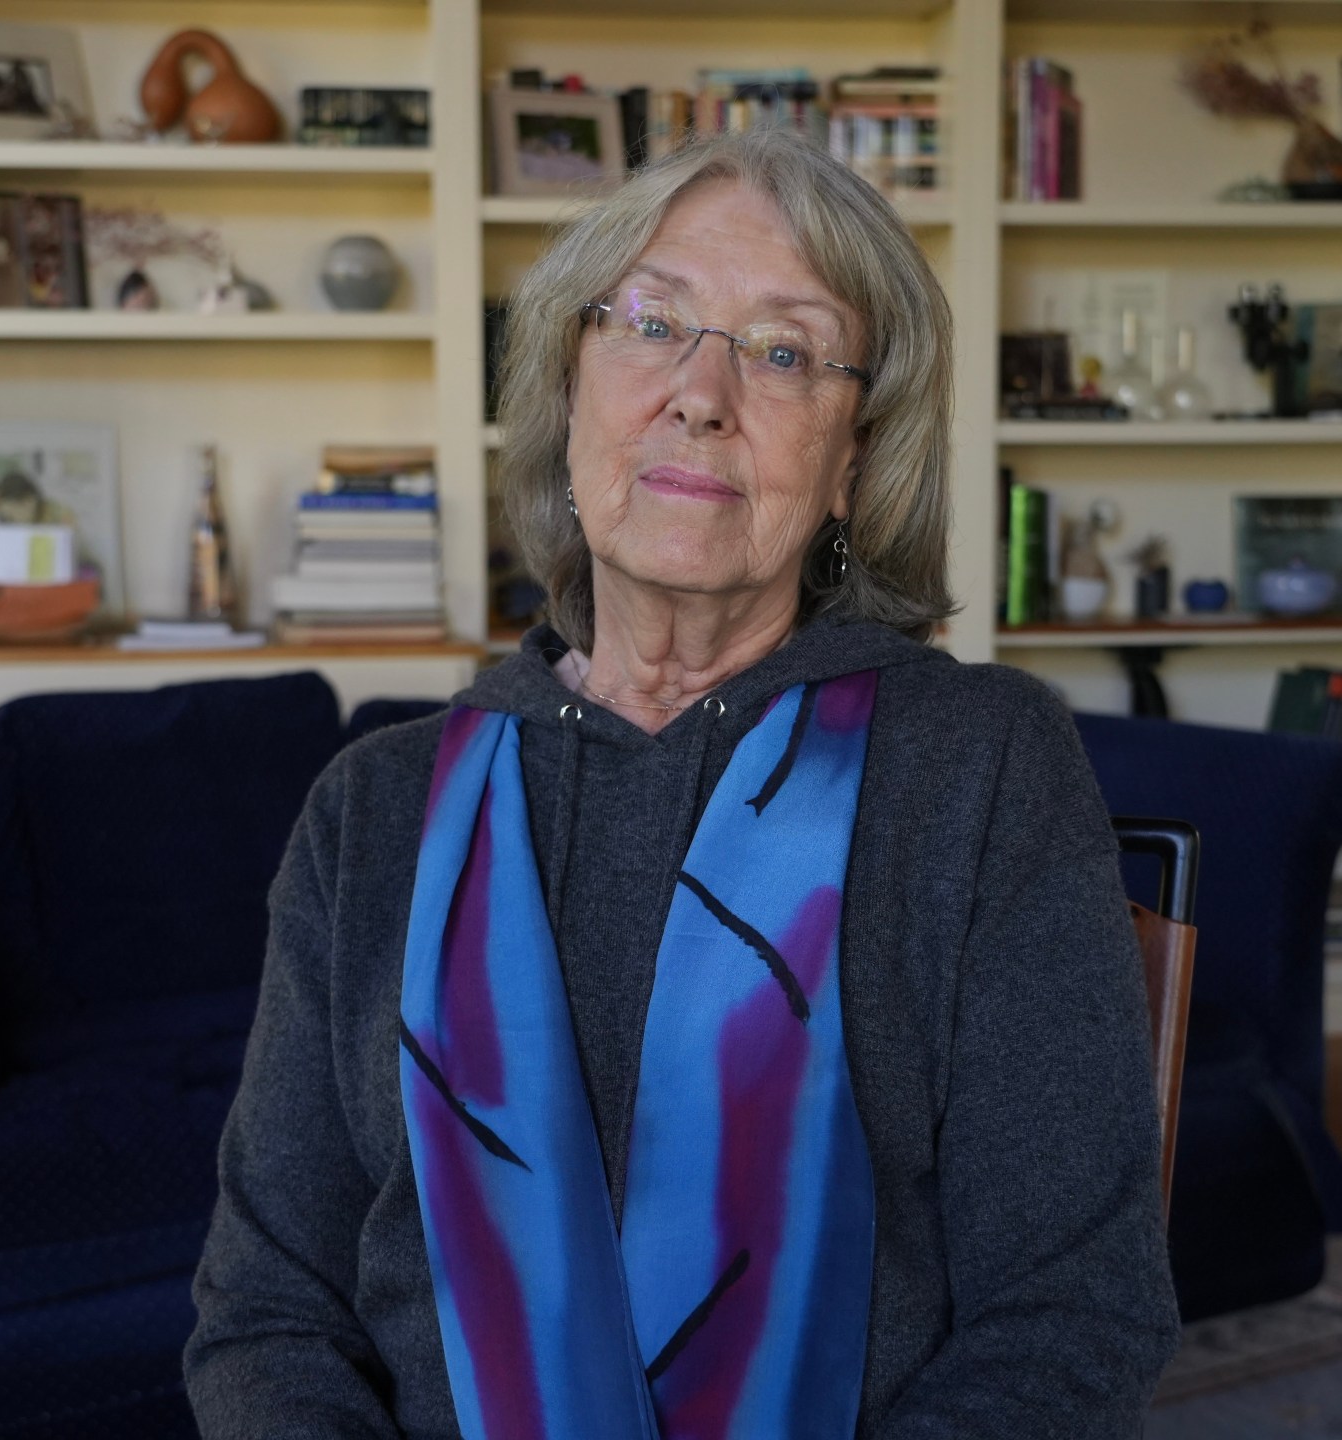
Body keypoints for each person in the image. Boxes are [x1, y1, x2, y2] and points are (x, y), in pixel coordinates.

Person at [186, 128, 1179, 1438]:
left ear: (855, 462)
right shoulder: (371, 811)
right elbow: (268, 1317)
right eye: (650, 323)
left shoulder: (979, 769)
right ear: (570, 388)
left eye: (782, 351)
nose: (699, 393)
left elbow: (1073, 1312)